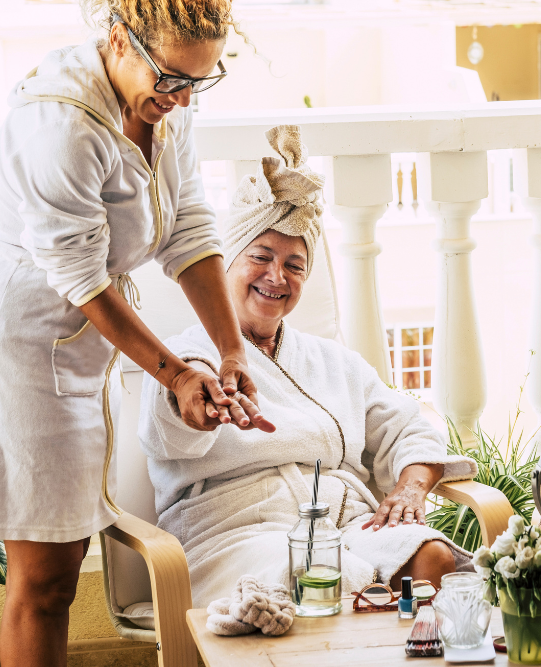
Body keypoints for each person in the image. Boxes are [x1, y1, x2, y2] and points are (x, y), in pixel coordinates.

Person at [0, 2, 272, 665]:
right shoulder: (57, 125)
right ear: (119, 40)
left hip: (81, 348)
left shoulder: (167, 102)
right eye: (172, 78)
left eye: (200, 81)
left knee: (63, 559)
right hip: (21, 351)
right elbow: (81, 279)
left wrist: (231, 349)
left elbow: (190, 226)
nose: (182, 97)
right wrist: (175, 373)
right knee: (45, 577)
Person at [139, 124, 476, 609]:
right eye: (261, 257)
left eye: (295, 266)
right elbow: (169, 419)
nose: (277, 277)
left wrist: (409, 488)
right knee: (323, 581)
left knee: (433, 560)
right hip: (236, 535)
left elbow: (408, 426)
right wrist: (197, 401)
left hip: (343, 524)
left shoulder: (334, 361)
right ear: (227, 263)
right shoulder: (187, 356)